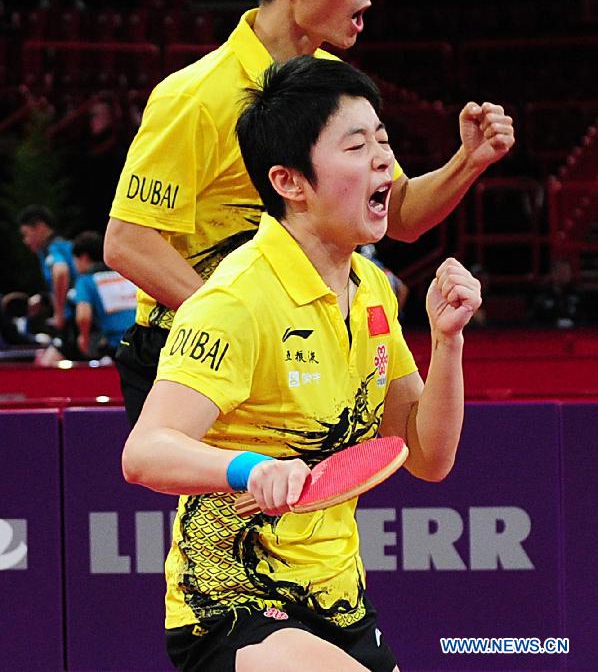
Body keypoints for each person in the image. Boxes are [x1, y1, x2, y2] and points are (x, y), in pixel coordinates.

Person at [122, 57, 482, 672]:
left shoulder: (369, 287)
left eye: (383, 141)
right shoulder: (236, 299)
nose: (381, 162)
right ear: (290, 181)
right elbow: (145, 452)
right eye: (356, 144)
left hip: (339, 603)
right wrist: (246, 468)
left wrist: (447, 344)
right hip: (233, 609)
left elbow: (427, 456)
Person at [106, 0, 512, 425]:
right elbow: (129, 241)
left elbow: (401, 215)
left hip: (296, 344)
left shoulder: (335, 91)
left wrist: (469, 160)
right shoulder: (195, 97)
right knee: (231, 507)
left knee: (302, 504)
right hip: (194, 353)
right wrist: (234, 323)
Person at [72, 230, 137, 358]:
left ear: (83, 258)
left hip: (116, 345)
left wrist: (83, 339)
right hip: (143, 339)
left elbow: (83, 316)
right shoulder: (124, 274)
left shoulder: (86, 281)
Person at [17, 204, 77, 340]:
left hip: (76, 319)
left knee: (47, 360)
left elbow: (61, 273)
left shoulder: (53, 249)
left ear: (39, 226)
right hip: (82, 316)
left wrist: (59, 313)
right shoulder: (65, 246)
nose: (25, 241)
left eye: (25, 234)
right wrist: (44, 300)